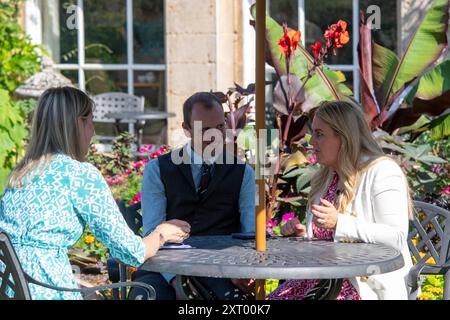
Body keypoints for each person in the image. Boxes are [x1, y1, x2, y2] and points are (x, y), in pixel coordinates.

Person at [0, 87, 190, 300]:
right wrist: (162, 233)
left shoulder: (20, 175)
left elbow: (28, 250)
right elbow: (131, 252)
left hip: (11, 289)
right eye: (90, 121)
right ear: (77, 124)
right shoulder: (79, 175)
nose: (93, 131)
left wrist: (75, 283)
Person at [268, 100, 414, 300]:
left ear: (344, 138)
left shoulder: (382, 171)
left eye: (319, 134)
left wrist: (339, 223)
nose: (312, 142)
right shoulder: (327, 176)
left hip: (364, 286)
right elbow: (329, 245)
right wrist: (303, 236)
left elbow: (396, 238)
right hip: (322, 281)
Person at [129, 92, 256, 300]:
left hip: (222, 267)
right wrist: (177, 281)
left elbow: (250, 234)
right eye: (205, 129)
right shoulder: (157, 169)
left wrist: (242, 271)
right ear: (186, 129)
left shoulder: (243, 173)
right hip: (164, 267)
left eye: (220, 127)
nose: (214, 136)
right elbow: (153, 231)